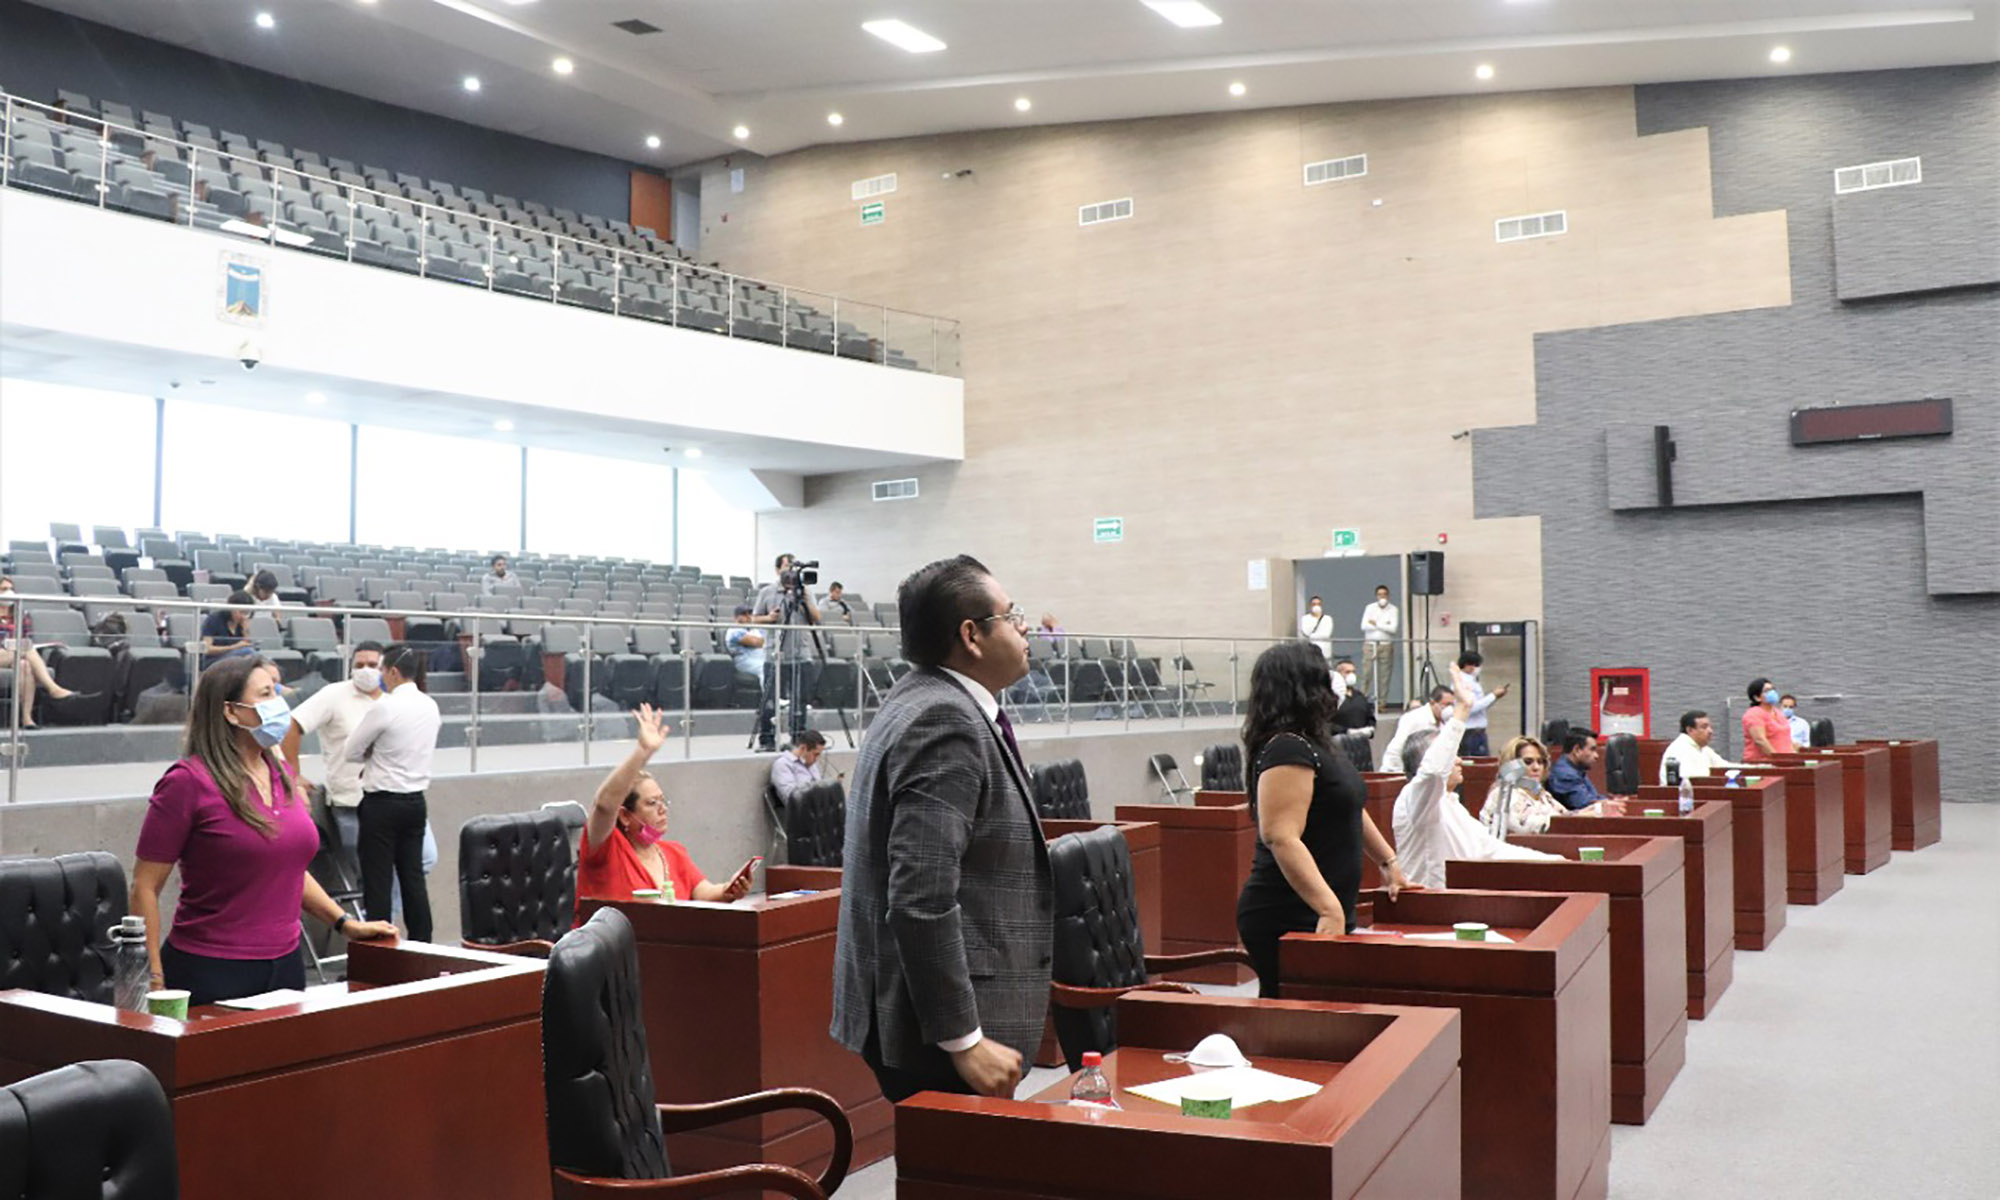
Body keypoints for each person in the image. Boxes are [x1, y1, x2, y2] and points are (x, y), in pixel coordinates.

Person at [832, 555, 1050, 1103]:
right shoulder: (944, 720)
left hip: (924, 1016)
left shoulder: (921, 696)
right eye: (1011, 614)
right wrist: (964, 1039)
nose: (1024, 627)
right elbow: (920, 896)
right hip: (939, 1033)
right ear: (971, 635)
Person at [130, 654, 396, 1005]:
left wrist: (344, 923)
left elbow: (287, 868)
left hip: (286, 967)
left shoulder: (280, 772)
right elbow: (144, 886)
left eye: (277, 692)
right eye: (266, 694)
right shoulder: (187, 782)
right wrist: (153, 978)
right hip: (211, 969)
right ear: (231, 711)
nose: (279, 705)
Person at [1234, 641, 1410, 997]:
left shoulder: (1319, 743)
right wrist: (1328, 907)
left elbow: (1350, 806)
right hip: (1290, 911)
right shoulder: (1286, 748)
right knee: (1299, 1024)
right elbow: (1281, 837)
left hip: (1322, 907)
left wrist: (1389, 862)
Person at [1392, 671, 1560, 889]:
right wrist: (1462, 710)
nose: (1460, 760)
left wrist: (1554, 862)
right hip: (1428, 904)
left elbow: (1490, 849)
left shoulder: (1453, 805)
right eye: (1452, 756)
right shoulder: (1414, 798)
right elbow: (1433, 771)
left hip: (1461, 900)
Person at [578, 703, 755, 906]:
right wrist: (643, 752)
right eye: (652, 803)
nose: (662, 809)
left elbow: (704, 893)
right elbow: (604, 805)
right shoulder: (606, 848)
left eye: (662, 801)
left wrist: (730, 888)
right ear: (625, 815)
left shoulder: (673, 853)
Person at [344, 643, 441, 943]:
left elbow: (352, 751)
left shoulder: (386, 706)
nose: (380, 676)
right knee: (413, 879)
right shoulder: (430, 705)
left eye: (382, 670)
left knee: (378, 883)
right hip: (415, 802)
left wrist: (374, 752)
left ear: (394, 672)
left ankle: (379, 951)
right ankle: (423, 946)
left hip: (382, 804)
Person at [752, 553, 821, 750]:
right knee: (769, 700)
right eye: (786, 566)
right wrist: (769, 618)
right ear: (777, 570)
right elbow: (754, 619)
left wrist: (805, 598)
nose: (790, 570)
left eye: (793, 566)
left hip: (801, 654)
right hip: (775, 654)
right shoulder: (767, 592)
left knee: (799, 701)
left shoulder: (805, 592)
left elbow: (815, 618)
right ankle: (767, 740)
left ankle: (798, 739)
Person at [0, 576, 78, 728]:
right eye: (4, 589)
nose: (9, 593)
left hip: (14, 655)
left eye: (11, 589)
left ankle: (26, 719)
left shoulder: (19, 613)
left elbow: (26, 637)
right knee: (25, 648)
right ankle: (53, 689)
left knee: (25, 666)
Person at [1481, 735, 1582, 835]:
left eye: (1540, 762)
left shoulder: (1543, 795)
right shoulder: (1502, 793)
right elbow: (1524, 826)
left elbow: (1566, 816)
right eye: (1528, 762)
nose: (1536, 767)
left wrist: (1587, 813)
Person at [725, 603, 775, 750]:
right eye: (744, 614)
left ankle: (778, 697)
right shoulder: (734, 631)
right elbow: (757, 642)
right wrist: (764, 640)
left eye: (749, 614)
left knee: (773, 665)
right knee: (764, 669)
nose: (747, 617)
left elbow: (764, 642)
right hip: (743, 662)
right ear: (736, 617)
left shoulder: (753, 629)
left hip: (760, 658)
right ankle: (769, 698)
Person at [1381, 685, 1453, 773]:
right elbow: (1396, 748)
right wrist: (1399, 774)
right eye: (1447, 704)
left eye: (1452, 705)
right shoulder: (1414, 718)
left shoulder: (1444, 723)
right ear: (1433, 702)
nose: (1449, 709)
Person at [1659, 710, 1743, 785]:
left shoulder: (1704, 749)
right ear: (1690, 730)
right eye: (1704, 727)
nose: (1710, 731)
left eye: (1710, 727)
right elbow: (1688, 781)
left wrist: (1755, 768)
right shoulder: (1679, 749)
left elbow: (1725, 766)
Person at [1453, 651, 1510, 758]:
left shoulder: (1472, 681)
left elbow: (1481, 707)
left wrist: (1495, 697)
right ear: (1468, 665)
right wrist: (1492, 695)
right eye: (1477, 665)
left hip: (1477, 732)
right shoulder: (1463, 682)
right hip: (1470, 732)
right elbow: (1471, 707)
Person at [1545, 727, 1607, 810]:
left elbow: (1594, 797)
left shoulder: (1576, 769)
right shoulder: (1565, 774)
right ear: (1577, 750)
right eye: (1592, 750)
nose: (1596, 756)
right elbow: (1587, 804)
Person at [1741, 677, 1794, 763]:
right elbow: (1760, 740)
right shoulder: (1754, 714)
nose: (1772, 692)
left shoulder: (1778, 713)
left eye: (1773, 689)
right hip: (1764, 764)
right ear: (1757, 697)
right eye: (1767, 691)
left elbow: (1787, 738)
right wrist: (1778, 760)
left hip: (1785, 763)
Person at [1360, 585, 1399, 699]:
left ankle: (1382, 702)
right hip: (1370, 645)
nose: (1382, 597)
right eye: (1380, 594)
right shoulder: (1370, 608)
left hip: (1385, 645)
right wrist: (1384, 624)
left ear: (1388, 596)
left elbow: (1393, 629)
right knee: (1366, 674)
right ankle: (1363, 699)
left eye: (1384, 594)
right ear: (1376, 596)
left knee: (1384, 676)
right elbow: (1364, 626)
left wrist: (1375, 624)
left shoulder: (1393, 609)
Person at [198, 591, 257, 666]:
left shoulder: (242, 623)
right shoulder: (214, 619)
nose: (243, 616)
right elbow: (206, 649)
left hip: (237, 659)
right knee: (248, 653)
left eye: (247, 613)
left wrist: (246, 630)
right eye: (241, 612)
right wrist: (233, 647)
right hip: (213, 660)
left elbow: (246, 645)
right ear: (231, 608)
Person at [771, 728, 828, 802]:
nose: (816, 759)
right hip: (801, 808)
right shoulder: (783, 764)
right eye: (815, 754)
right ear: (803, 748)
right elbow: (791, 795)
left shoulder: (811, 764)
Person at [1330, 658, 1375, 736]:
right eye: (1347, 672)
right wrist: (1347, 731)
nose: (1351, 675)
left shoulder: (1360, 696)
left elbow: (1370, 717)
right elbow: (1325, 724)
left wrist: (1370, 730)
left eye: (1353, 672)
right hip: (1339, 742)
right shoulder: (1330, 697)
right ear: (1338, 674)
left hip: (1360, 743)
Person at [1298, 596, 1333, 663]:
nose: (1316, 606)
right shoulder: (1305, 618)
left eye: (1318, 604)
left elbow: (1326, 634)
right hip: (1310, 649)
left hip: (1324, 649)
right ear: (1310, 606)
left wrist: (1313, 636)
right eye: (1314, 604)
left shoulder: (1327, 619)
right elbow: (1306, 632)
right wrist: (1315, 619)